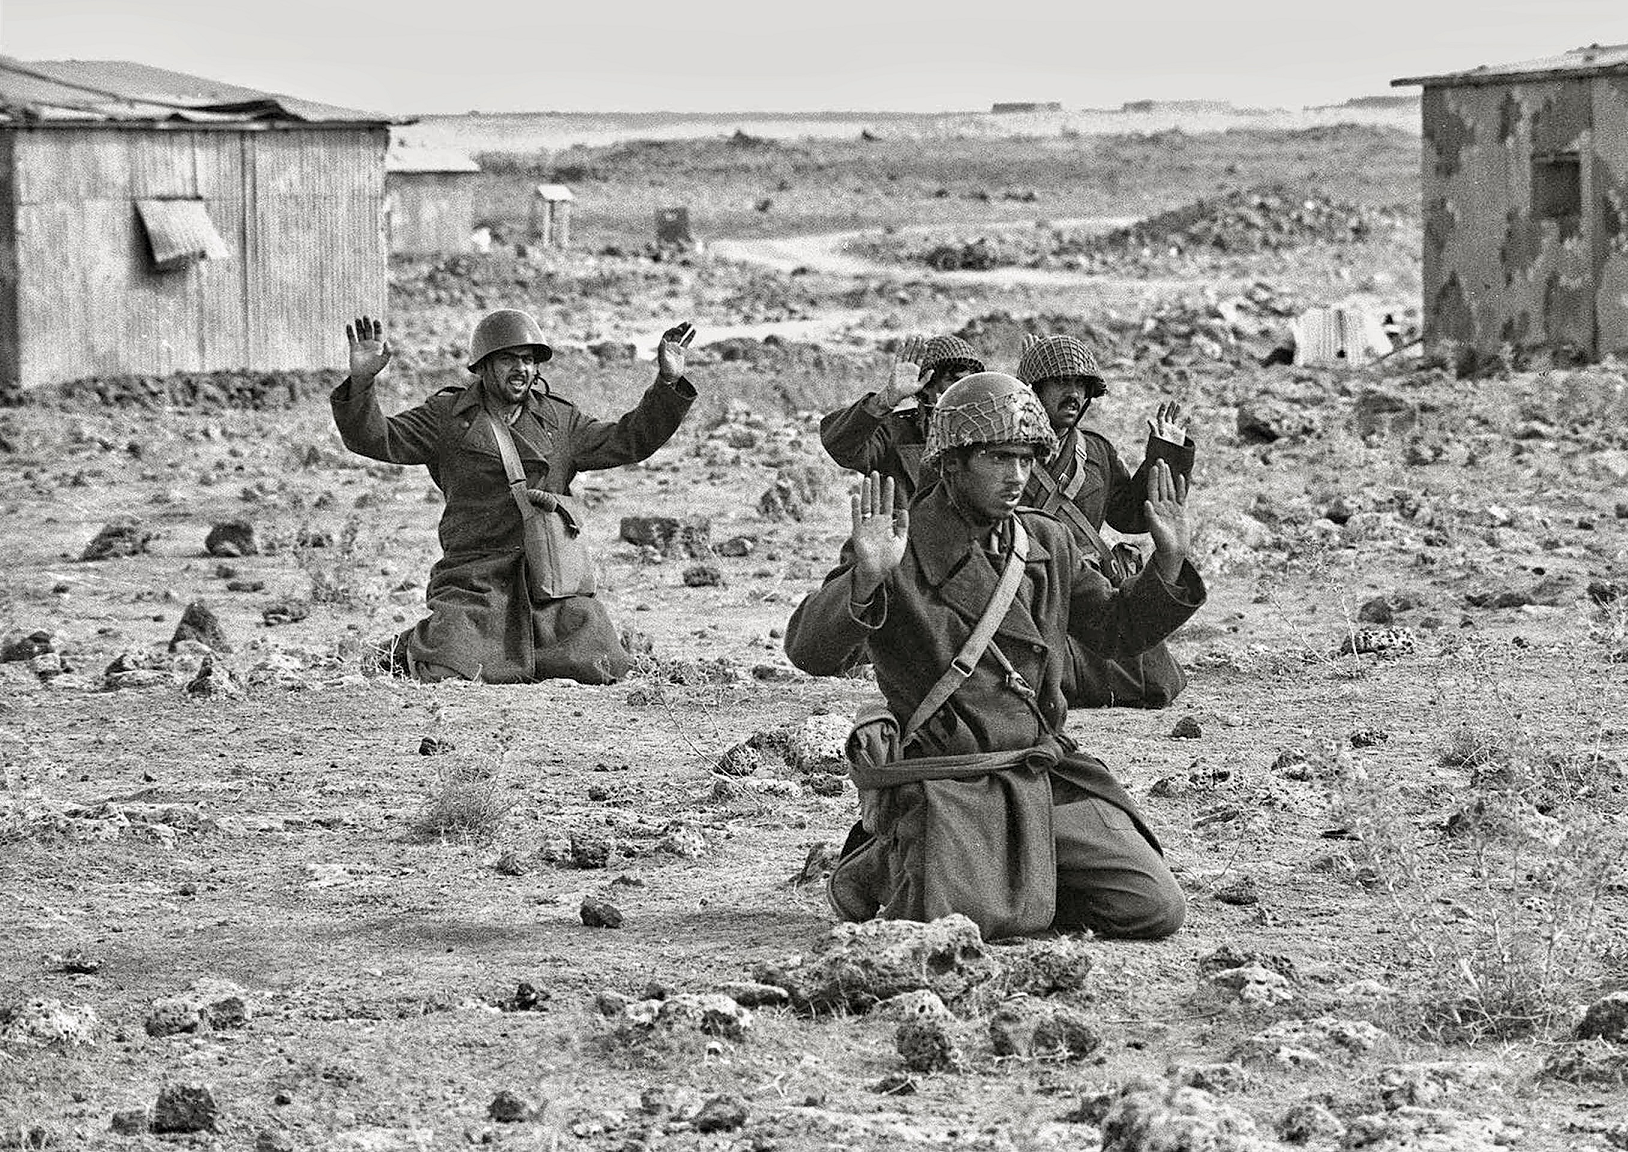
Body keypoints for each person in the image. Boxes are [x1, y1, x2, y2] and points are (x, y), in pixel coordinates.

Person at [786, 373, 1205, 939]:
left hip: (1039, 768)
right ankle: (886, 863)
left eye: (1028, 459)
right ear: (952, 462)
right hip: (951, 779)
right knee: (964, 925)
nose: (1016, 477)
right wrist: (865, 579)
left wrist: (1169, 563)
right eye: (998, 458)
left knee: (1153, 907)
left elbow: (1114, 631)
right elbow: (809, 651)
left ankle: (1024, 878)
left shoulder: (1045, 541)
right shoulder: (897, 546)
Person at [331, 309, 698, 684]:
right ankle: (404, 648)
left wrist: (667, 384)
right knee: (450, 663)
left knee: (602, 662)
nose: (520, 369)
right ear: (483, 366)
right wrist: (361, 384)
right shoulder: (447, 417)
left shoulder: (560, 421)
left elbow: (628, 439)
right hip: (474, 576)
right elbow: (377, 438)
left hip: (547, 575)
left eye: (528, 360)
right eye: (508, 359)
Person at [1016, 333, 1197, 709]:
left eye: (1081, 385)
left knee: (1157, 680)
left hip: (1087, 591)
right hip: (1029, 589)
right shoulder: (1008, 450)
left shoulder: (1095, 450)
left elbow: (1128, 515)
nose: (1074, 394)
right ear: (1034, 390)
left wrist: (1164, 455)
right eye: (1062, 382)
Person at [818, 334, 984, 504]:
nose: (963, 390)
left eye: (970, 382)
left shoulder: (987, 433)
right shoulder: (894, 432)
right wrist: (884, 400)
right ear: (927, 387)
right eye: (952, 381)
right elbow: (841, 446)